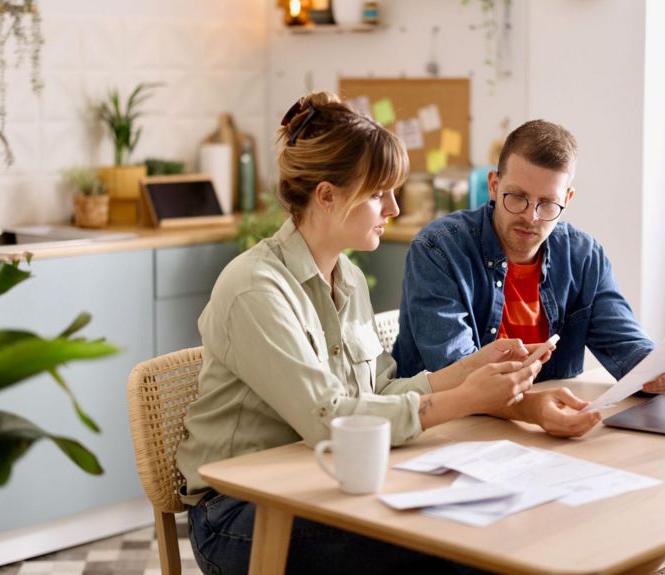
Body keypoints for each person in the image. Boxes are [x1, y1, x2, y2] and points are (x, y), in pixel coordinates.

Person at [177, 92, 551, 574]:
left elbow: (376, 393)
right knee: (452, 547)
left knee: (480, 525)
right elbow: (329, 419)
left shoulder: (348, 278)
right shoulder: (255, 288)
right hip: (240, 513)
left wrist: (465, 372)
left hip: (323, 480)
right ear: (327, 195)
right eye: (378, 193)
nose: (393, 208)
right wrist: (466, 399)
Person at [392, 119, 665, 438]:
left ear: (568, 198)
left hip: (539, 432)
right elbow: (456, 374)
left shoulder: (584, 256)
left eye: (547, 203)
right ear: (494, 185)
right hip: (441, 431)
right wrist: (532, 409)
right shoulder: (439, 248)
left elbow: (626, 345)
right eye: (517, 197)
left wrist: (659, 369)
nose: (530, 216)